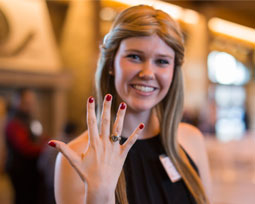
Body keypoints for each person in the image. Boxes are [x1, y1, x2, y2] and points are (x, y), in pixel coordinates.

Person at [49, 5, 212, 204]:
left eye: (162, 61)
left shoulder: (190, 140)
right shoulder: (78, 157)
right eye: (134, 57)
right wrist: (99, 195)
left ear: (173, 72)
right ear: (111, 64)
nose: (147, 73)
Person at [5, 89, 47, 204]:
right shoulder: (13, 122)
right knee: (23, 199)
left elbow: (39, 137)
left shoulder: (30, 119)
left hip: (31, 168)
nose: (31, 104)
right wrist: (45, 148)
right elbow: (24, 147)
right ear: (18, 102)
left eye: (32, 101)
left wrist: (48, 141)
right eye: (27, 101)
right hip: (20, 169)